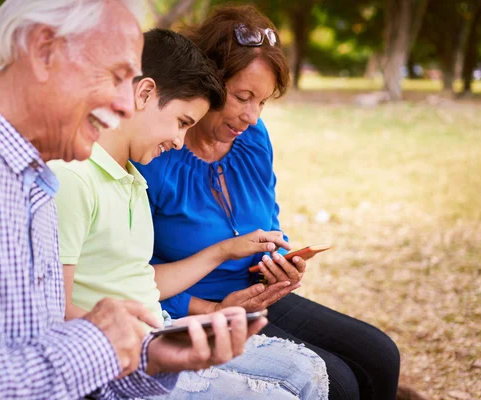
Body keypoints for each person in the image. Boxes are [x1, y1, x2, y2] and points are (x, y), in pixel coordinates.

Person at [0, 2, 266, 399]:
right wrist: (97, 343)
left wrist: (149, 356)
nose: (124, 105)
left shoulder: (35, 178)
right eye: (118, 76)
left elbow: (38, 356)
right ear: (44, 50)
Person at [135, 5, 401, 400]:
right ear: (207, 81)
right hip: (197, 308)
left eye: (262, 101)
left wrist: (281, 265)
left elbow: (267, 221)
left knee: (381, 354)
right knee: (339, 382)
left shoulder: (254, 140)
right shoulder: (155, 154)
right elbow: (135, 273)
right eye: (242, 96)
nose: (251, 115)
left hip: (258, 293)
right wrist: (208, 308)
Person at [48, 28, 329, 400]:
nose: (180, 142)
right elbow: (52, 311)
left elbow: (138, 279)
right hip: (121, 358)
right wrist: (160, 342)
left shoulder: (132, 177)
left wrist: (224, 252)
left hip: (159, 328)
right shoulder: (73, 177)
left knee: (307, 370)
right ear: (144, 93)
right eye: (182, 122)